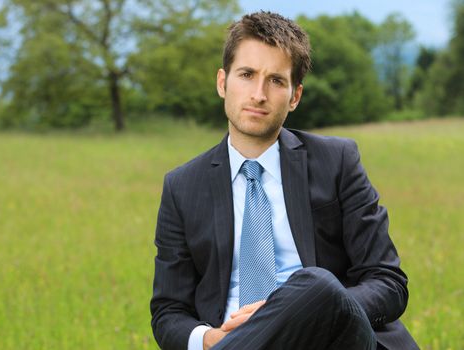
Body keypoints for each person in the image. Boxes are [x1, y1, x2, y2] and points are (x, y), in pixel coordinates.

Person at [150, 11, 419, 350]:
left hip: (336, 340)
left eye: (276, 80)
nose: (259, 94)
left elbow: (388, 282)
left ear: (295, 96)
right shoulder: (182, 187)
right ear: (222, 82)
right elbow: (168, 311)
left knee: (318, 285)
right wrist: (212, 339)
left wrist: (295, 312)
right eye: (247, 75)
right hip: (230, 338)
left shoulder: (337, 161)